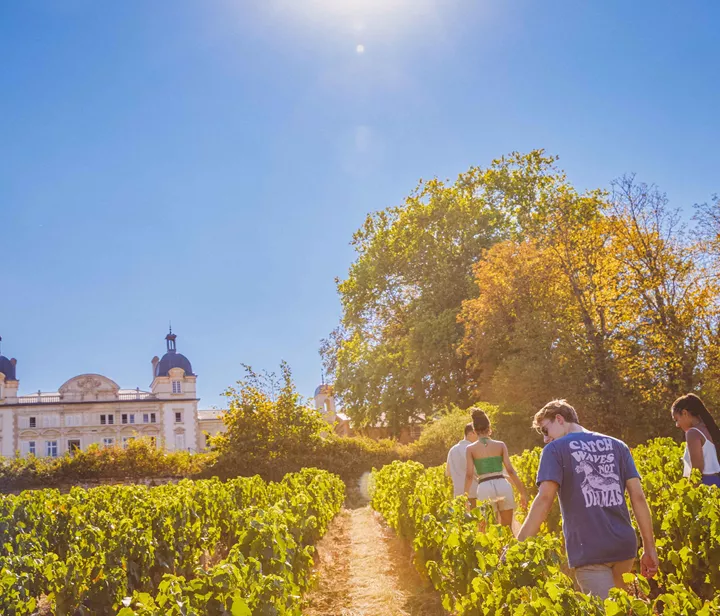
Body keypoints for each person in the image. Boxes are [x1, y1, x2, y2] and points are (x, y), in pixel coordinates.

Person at [517, 399, 659, 599]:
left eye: (545, 431)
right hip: (624, 547)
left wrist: (519, 544)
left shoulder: (555, 450)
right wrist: (649, 548)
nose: (545, 439)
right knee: (626, 608)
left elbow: (544, 499)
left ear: (559, 419)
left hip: (588, 549)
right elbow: (638, 498)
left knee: (606, 611)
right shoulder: (618, 446)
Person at [464, 408, 528, 527]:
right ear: (489, 427)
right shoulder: (500, 445)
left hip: (484, 487)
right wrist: (522, 493)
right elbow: (510, 470)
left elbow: (469, 475)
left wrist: (465, 498)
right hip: (502, 484)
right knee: (507, 527)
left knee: (486, 529)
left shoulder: (470, 449)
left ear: (474, 430)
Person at [671, 393, 720, 487]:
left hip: (706, 485)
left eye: (676, 419)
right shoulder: (711, 430)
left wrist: (689, 492)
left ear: (685, 413)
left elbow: (697, 471)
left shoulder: (693, 433)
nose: (677, 425)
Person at [446, 422, 478, 501]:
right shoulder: (472, 449)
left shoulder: (452, 449)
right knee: (475, 513)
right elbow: (478, 471)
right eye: (478, 433)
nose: (479, 437)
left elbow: (448, 473)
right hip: (473, 493)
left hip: (458, 495)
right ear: (470, 434)